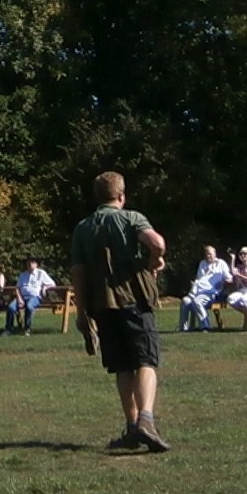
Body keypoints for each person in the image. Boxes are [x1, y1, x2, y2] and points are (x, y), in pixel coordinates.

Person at [69, 170, 170, 453]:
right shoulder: (131, 218)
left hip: (102, 306)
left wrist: (81, 313)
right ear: (122, 195)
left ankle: (131, 425)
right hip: (135, 301)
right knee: (146, 362)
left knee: (122, 366)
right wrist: (155, 260)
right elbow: (158, 243)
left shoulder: (83, 228)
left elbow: (78, 271)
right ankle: (146, 421)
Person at [179, 246, 232, 333]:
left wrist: (225, 281)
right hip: (199, 291)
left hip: (213, 293)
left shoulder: (221, 263)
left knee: (197, 301)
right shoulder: (202, 263)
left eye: (210, 254)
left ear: (215, 254)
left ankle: (206, 326)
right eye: (206, 254)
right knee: (185, 301)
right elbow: (199, 279)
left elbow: (229, 278)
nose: (208, 256)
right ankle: (183, 328)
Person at [9, 256, 55, 334]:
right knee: (11, 307)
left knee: (29, 306)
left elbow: (53, 284)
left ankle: (27, 329)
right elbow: (17, 288)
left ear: (36, 264)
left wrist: (45, 287)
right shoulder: (22, 275)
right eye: (29, 262)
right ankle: (8, 329)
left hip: (35, 297)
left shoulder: (41, 273)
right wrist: (19, 298)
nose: (30, 264)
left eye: (33, 262)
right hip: (22, 297)